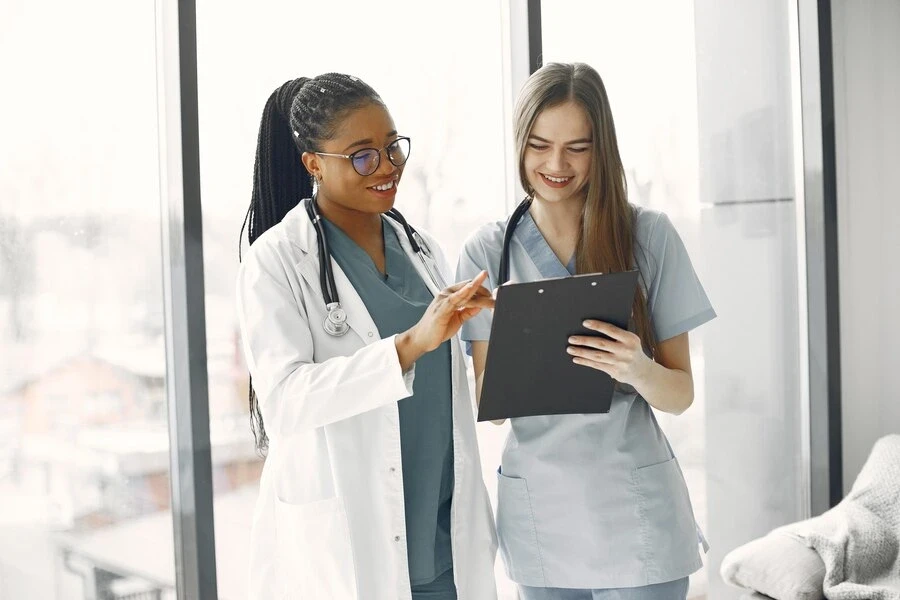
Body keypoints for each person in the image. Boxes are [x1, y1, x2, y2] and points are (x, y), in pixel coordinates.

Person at [456, 62, 716, 600]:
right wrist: (514, 335)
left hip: (636, 514)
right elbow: (492, 407)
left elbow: (680, 394)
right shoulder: (486, 254)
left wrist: (637, 368)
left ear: (603, 148)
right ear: (519, 143)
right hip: (542, 519)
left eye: (578, 146)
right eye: (539, 144)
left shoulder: (648, 237)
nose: (556, 164)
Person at [236, 73, 498, 600]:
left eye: (391, 147)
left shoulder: (420, 249)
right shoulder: (277, 260)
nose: (387, 168)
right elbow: (286, 400)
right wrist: (409, 345)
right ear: (314, 163)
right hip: (354, 553)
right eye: (362, 156)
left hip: (447, 540)